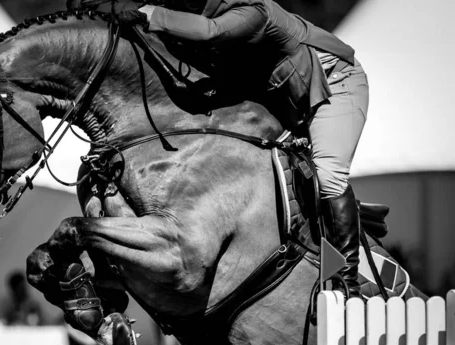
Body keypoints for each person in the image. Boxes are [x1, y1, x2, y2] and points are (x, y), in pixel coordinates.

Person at [117, 0, 368, 297]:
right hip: (290, 97)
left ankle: (347, 279)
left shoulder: (255, 11)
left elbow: (209, 31)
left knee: (328, 177)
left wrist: (150, 14)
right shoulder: (214, 10)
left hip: (337, 85)